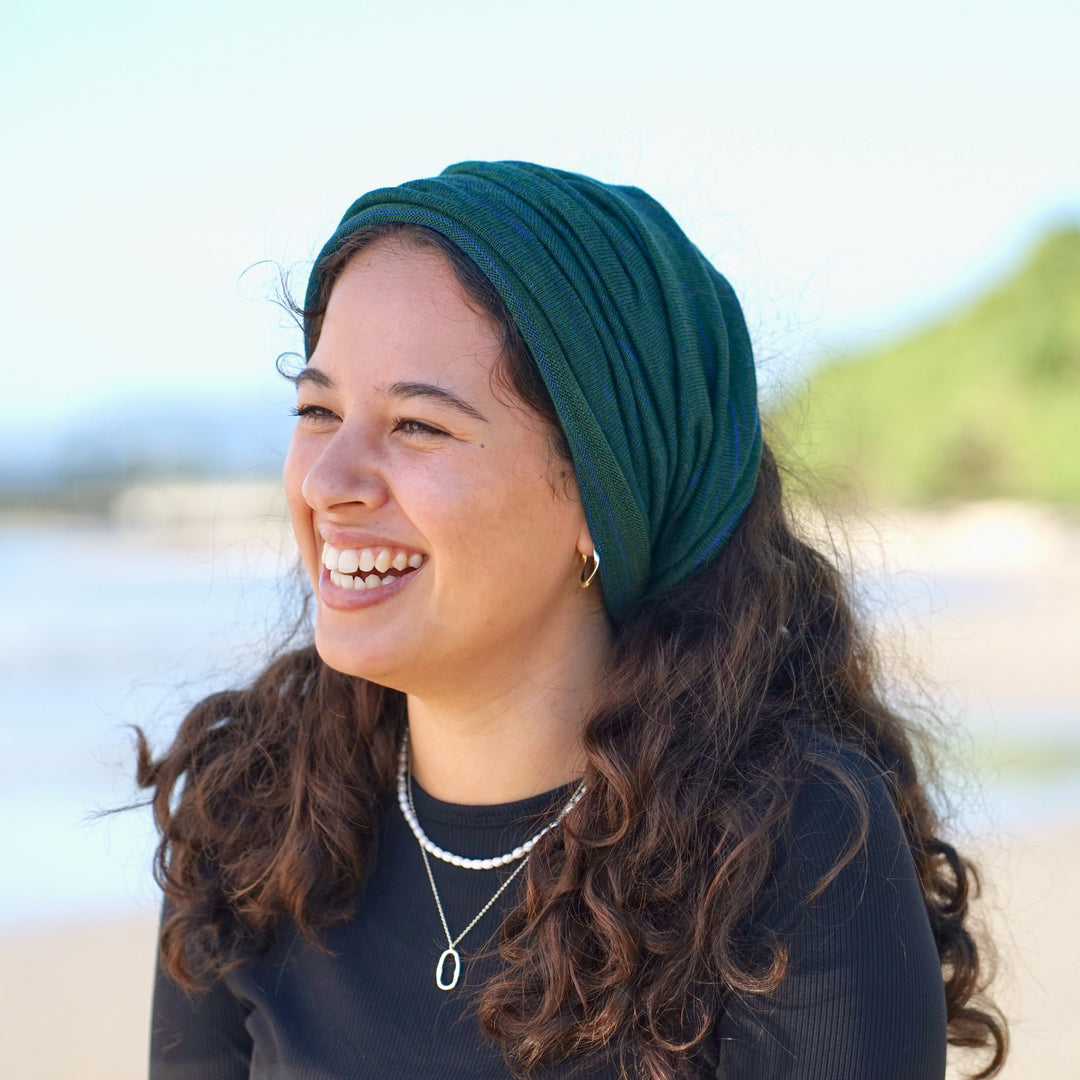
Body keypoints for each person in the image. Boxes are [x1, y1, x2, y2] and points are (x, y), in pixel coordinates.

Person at [139, 161, 1005, 1079]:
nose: (326, 482)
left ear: (601, 490)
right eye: (318, 410)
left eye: (418, 427)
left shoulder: (791, 847)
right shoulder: (248, 817)